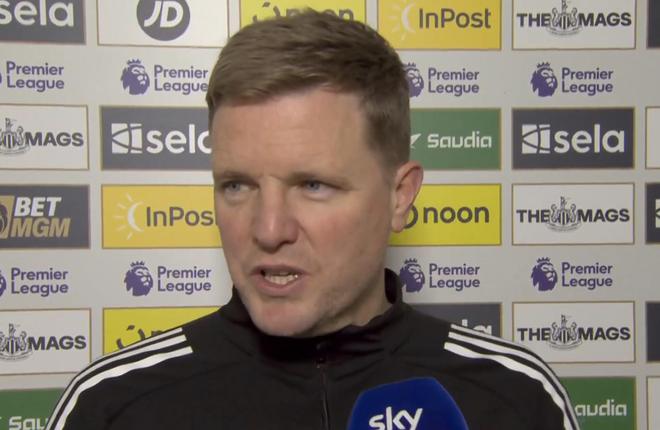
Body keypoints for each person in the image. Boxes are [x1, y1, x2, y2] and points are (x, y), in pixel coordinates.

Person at [46, 11, 579, 430]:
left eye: (313, 185)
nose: (268, 230)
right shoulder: (111, 406)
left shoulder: (515, 398)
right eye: (237, 186)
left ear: (399, 197)